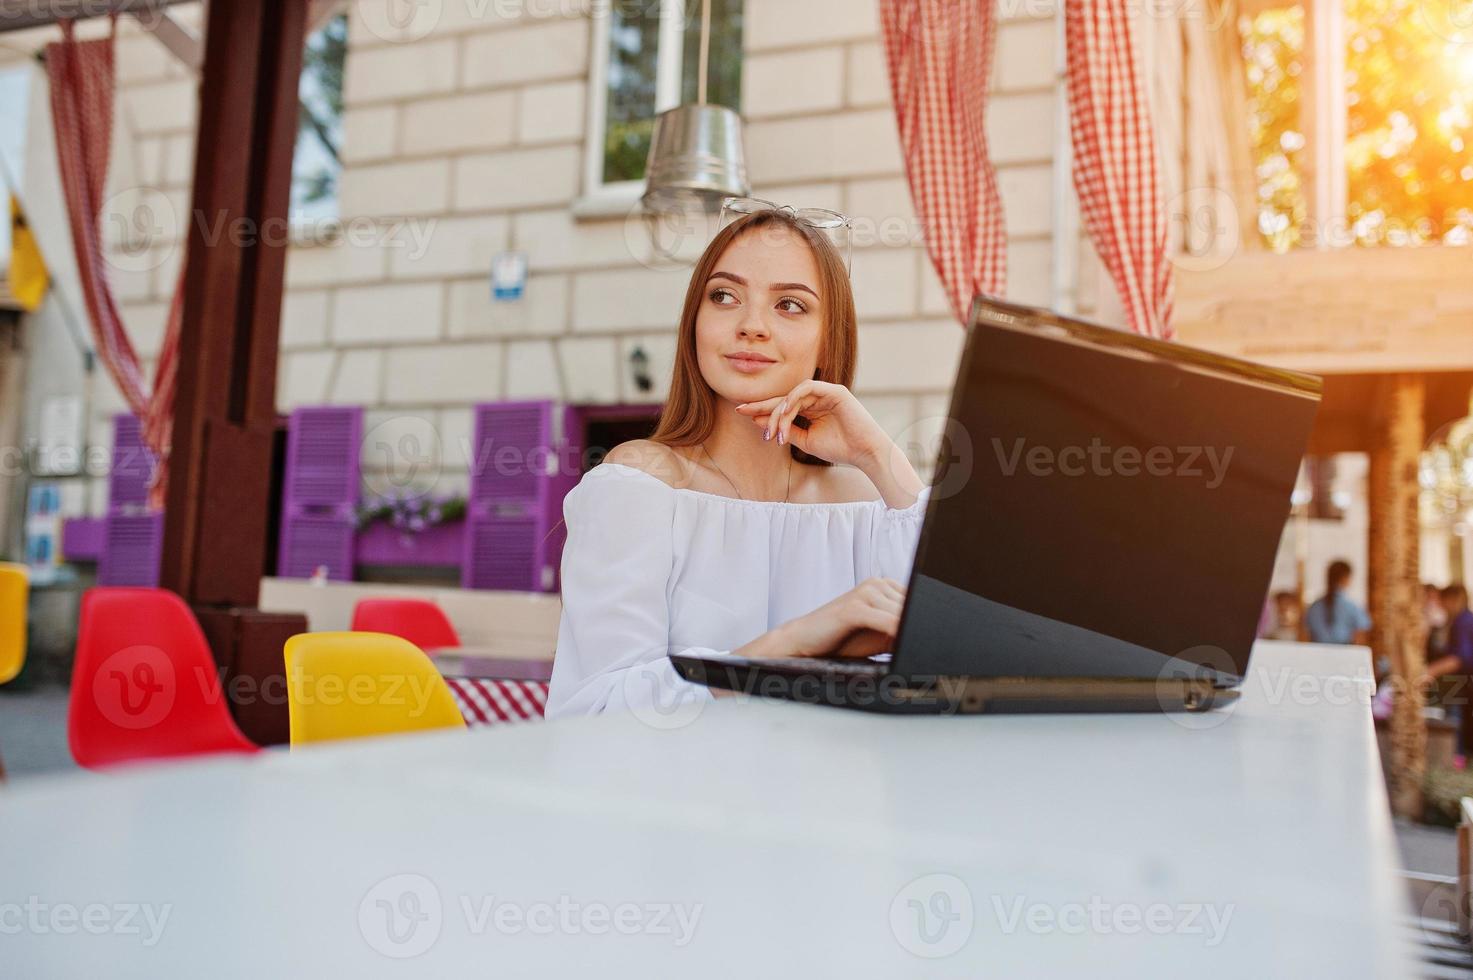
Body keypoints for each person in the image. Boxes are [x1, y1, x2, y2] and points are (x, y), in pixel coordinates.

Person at [546, 207, 928, 718]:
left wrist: (878, 456)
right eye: (724, 296)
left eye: (790, 305)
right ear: (695, 323)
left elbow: (963, 657)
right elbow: (594, 709)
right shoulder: (641, 484)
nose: (751, 326)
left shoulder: (866, 506)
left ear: (828, 340)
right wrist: (795, 642)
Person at [1304, 559, 1372, 645]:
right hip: (1344, 653)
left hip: (1317, 653)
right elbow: (1362, 633)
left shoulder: (1314, 607)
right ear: (1345, 578)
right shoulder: (1352, 607)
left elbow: (1307, 635)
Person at [1424, 586, 1473, 686]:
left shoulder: (1463, 622)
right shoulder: (1463, 619)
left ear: (1452, 600)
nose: (1441, 605)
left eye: (1443, 601)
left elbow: (1458, 659)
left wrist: (1428, 672)